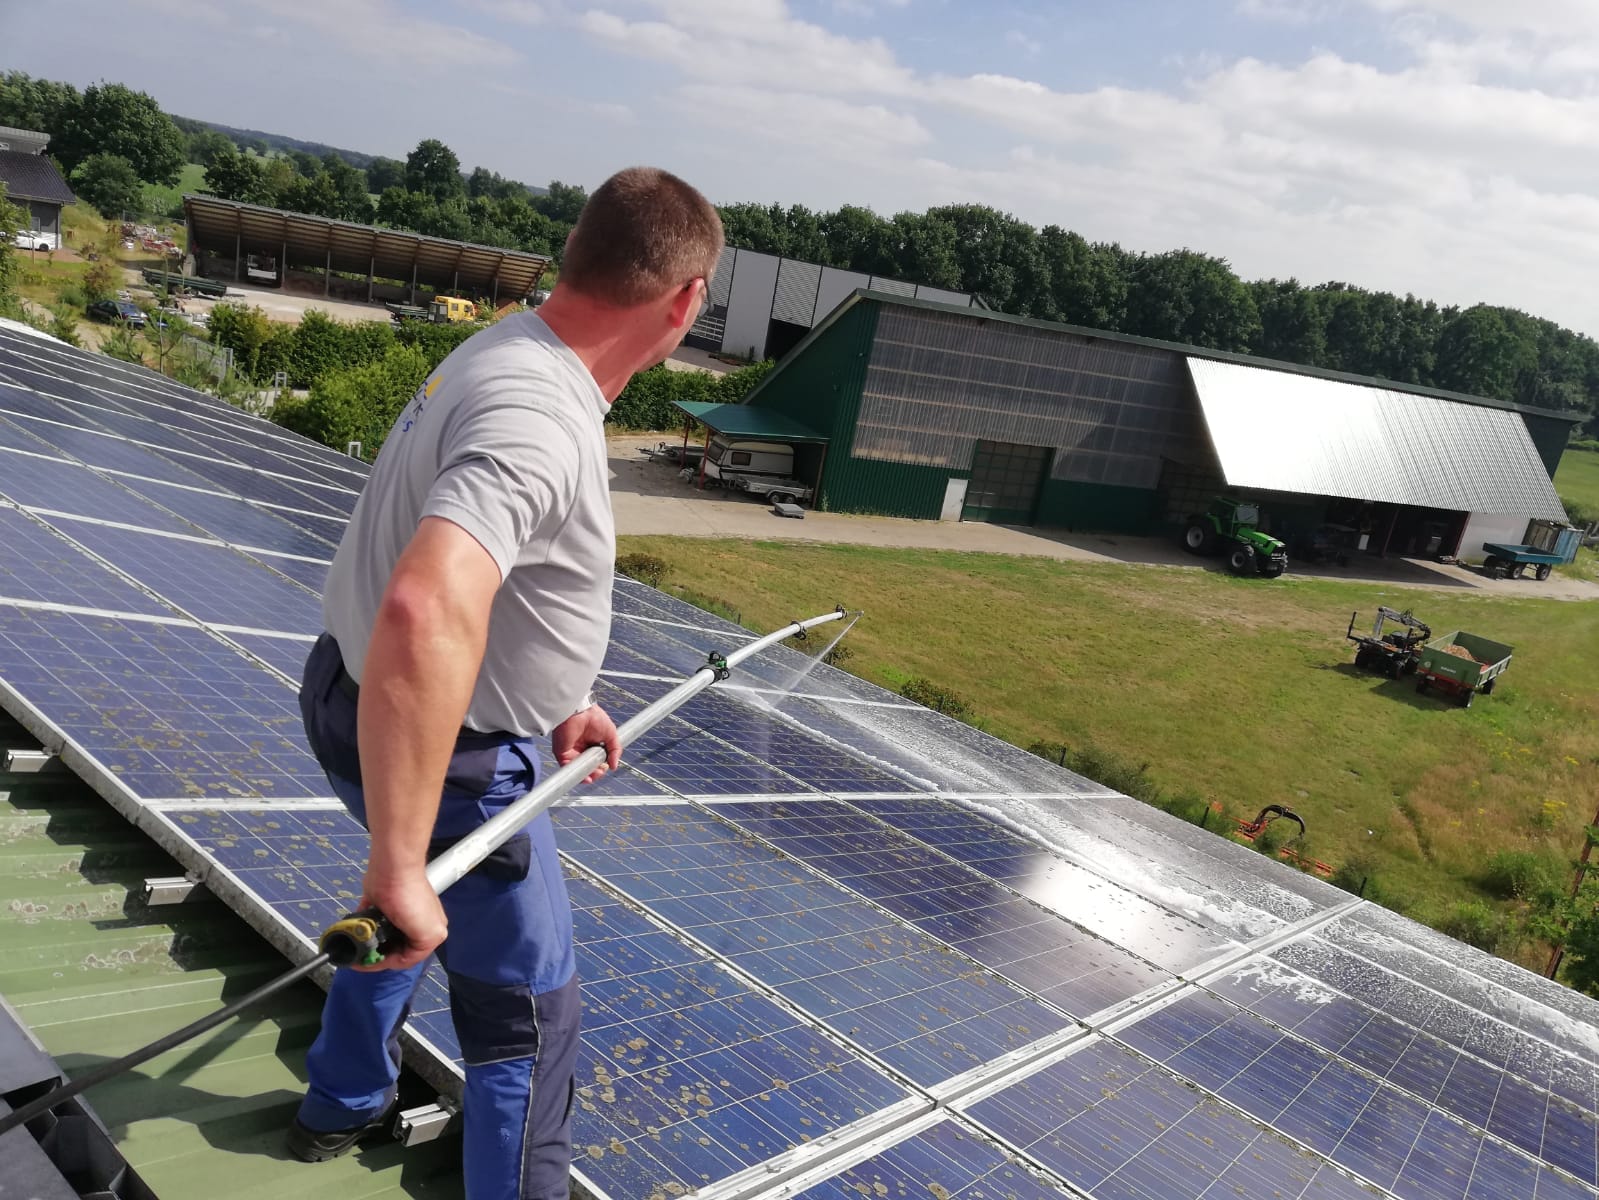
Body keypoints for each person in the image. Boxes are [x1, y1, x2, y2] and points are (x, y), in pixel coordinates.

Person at [286, 166, 724, 1198]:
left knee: (408, 910)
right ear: (684, 302)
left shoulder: (510, 349)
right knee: (529, 1023)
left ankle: (340, 1104)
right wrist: (400, 853)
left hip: (360, 702)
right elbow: (426, 608)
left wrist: (557, 696)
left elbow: (488, 584)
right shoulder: (542, 412)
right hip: (452, 763)